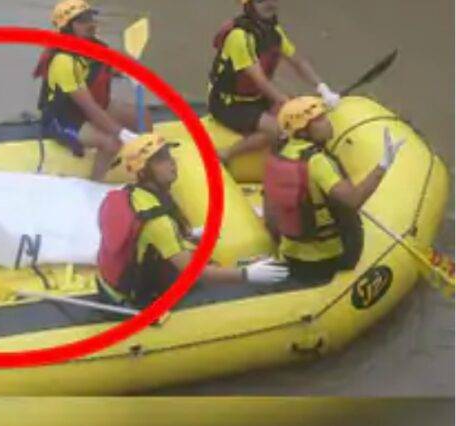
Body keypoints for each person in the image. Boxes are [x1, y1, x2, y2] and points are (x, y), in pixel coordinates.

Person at [96, 133, 289, 307]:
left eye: (169, 156)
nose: (172, 163)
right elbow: (193, 272)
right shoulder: (157, 222)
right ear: (143, 172)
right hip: (135, 296)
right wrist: (246, 275)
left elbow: (145, 239)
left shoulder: (133, 194)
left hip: (117, 282)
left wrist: (188, 235)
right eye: (161, 160)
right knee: (222, 286)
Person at [264, 96, 405, 283]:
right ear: (303, 131)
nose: (328, 123)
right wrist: (383, 166)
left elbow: (270, 216)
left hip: (290, 254)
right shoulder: (317, 162)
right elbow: (353, 200)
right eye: (319, 120)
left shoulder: (278, 156)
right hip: (327, 259)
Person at [207, 0, 341, 165]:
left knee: (300, 108)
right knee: (276, 131)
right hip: (228, 103)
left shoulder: (274, 31)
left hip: (256, 97)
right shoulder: (240, 36)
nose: (269, 3)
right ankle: (226, 154)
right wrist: (286, 103)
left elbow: (298, 61)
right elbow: (259, 79)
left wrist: (323, 88)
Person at [34, 0, 151, 180]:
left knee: (143, 116)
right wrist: (122, 133)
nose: (90, 24)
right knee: (111, 143)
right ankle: (96, 184)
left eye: (90, 18)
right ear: (67, 27)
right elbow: (90, 109)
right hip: (65, 118)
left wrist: (131, 74)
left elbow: (108, 68)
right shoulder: (63, 62)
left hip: (93, 106)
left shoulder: (95, 47)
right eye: (82, 21)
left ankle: (147, 169)